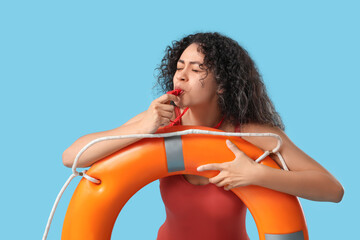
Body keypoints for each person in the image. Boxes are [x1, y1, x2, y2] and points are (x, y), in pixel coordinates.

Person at [62, 32, 344, 240]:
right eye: (179, 67)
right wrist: (139, 128)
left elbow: (333, 190)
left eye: (196, 69)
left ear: (222, 85)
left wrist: (257, 175)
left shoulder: (248, 134)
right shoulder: (160, 124)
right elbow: (71, 157)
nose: (181, 77)